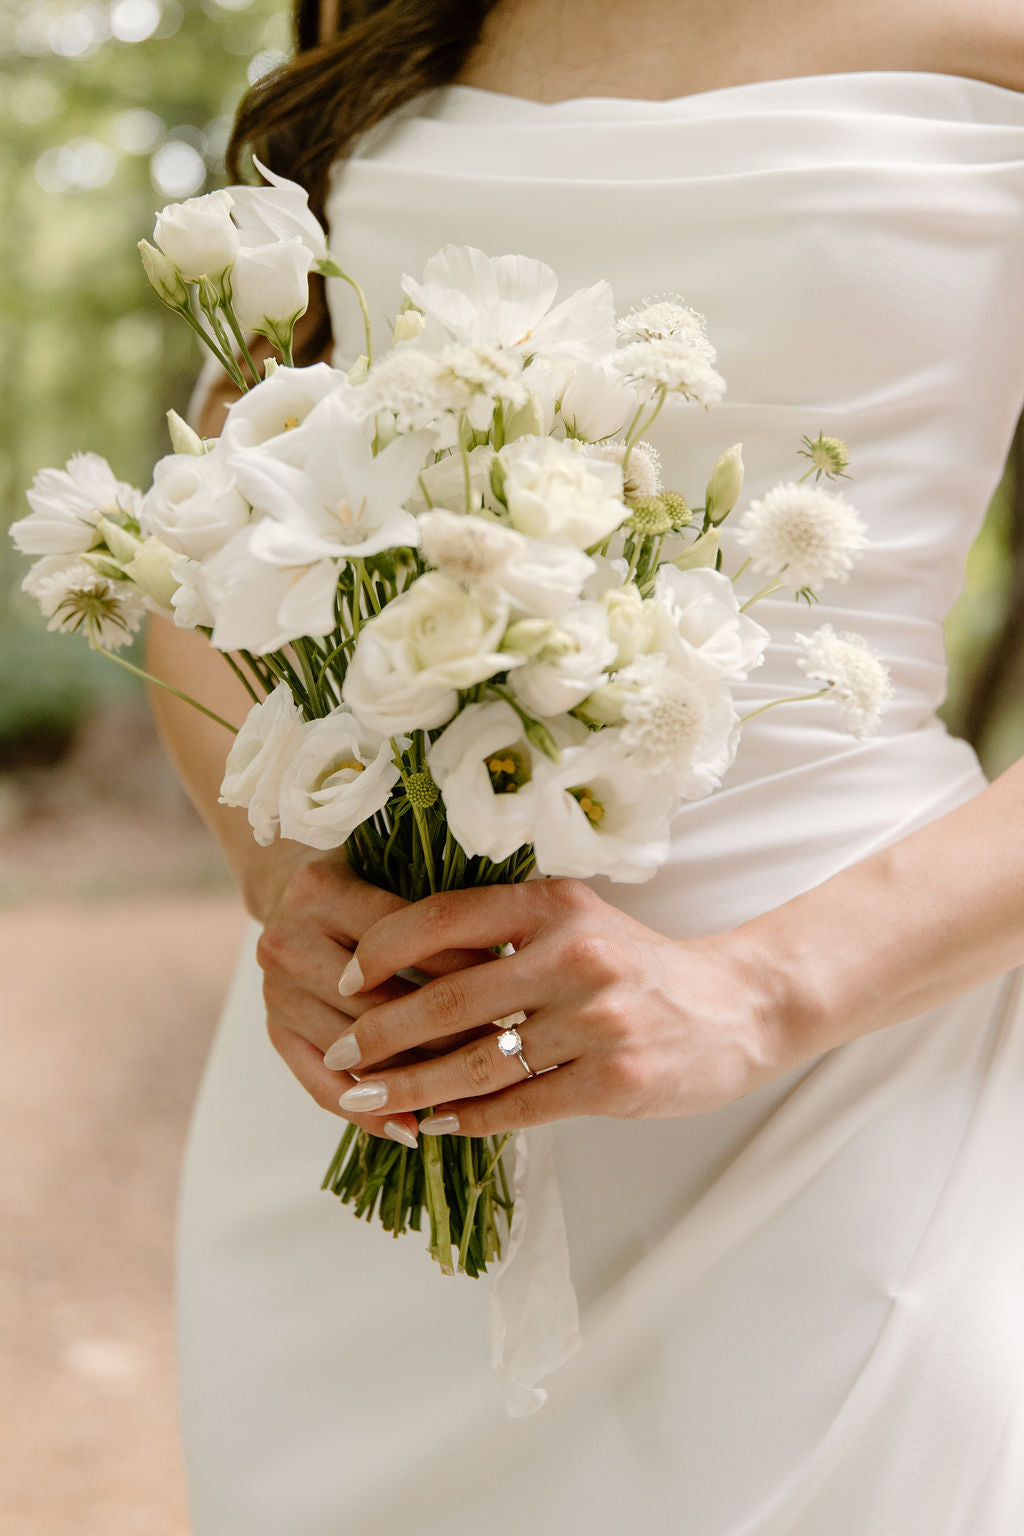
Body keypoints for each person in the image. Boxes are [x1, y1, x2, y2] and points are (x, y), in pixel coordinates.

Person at [146, 1, 1024, 1530]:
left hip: (839, 1098)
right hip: (371, 1075)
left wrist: (756, 993)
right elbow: (206, 523)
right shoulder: (399, 18)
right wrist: (284, 875)